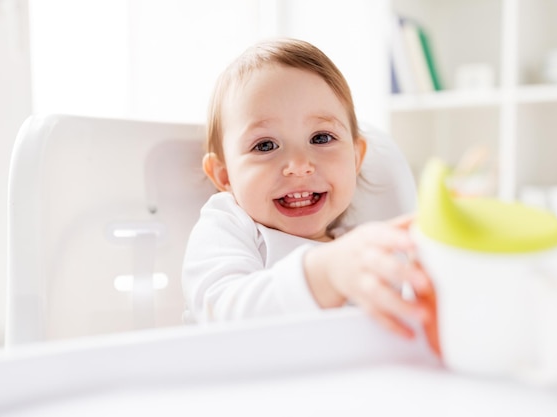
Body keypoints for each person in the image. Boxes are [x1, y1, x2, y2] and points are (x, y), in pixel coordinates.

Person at [182, 38, 439, 354]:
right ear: (224, 175)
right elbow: (220, 313)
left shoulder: (360, 251)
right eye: (265, 145)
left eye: (321, 137)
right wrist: (325, 274)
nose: (299, 166)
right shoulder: (230, 226)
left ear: (356, 158)